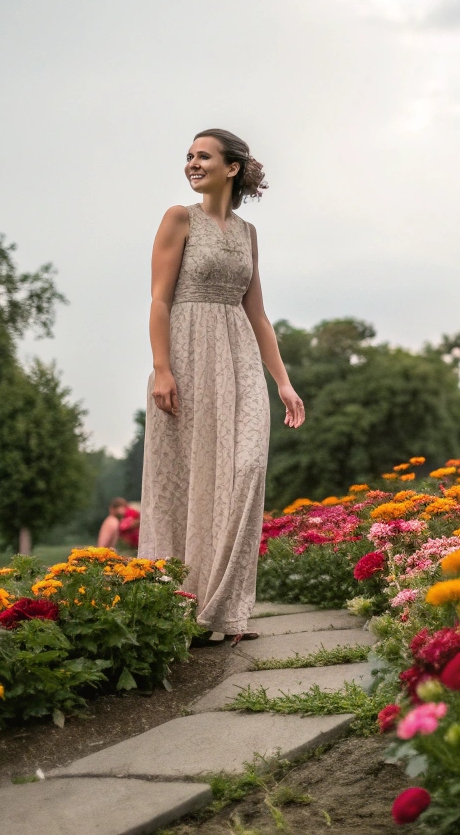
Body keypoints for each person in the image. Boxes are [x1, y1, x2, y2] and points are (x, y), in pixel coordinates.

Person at [140, 128, 305, 645]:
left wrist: (283, 382)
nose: (192, 163)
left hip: (238, 358)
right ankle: (180, 608)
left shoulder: (248, 233)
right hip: (187, 356)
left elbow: (257, 314)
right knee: (188, 482)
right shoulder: (178, 218)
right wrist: (162, 368)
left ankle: (226, 605)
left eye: (203, 156)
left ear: (232, 168)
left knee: (248, 467)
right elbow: (160, 301)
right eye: (189, 156)